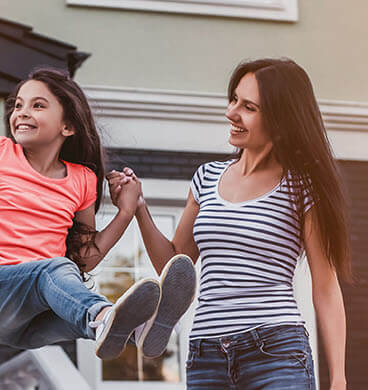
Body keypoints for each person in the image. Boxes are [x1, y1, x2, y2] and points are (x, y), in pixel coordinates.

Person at [0, 68, 196, 359]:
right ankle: (103, 315)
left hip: (35, 317)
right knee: (57, 274)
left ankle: (140, 329)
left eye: (37, 105)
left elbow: (84, 258)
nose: (21, 112)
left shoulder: (82, 179)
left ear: (68, 126)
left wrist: (126, 212)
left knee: (79, 309)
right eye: (18, 105)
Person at [114, 58, 351, 389]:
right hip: (207, 354)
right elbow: (174, 265)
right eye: (234, 100)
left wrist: (338, 377)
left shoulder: (302, 188)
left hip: (276, 350)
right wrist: (139, 207)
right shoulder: (207, 178)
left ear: (280, 120)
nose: (231, 113)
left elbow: (326, 287)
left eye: (248, 107)